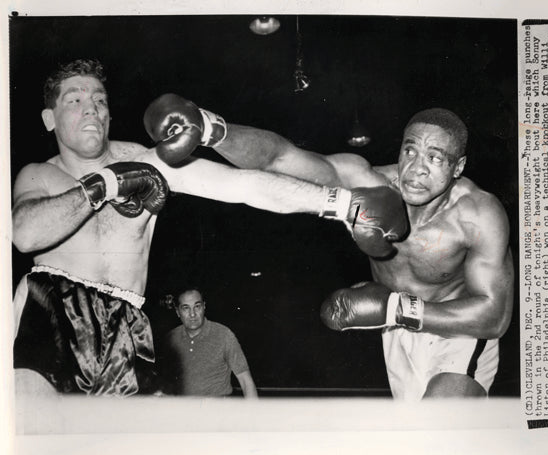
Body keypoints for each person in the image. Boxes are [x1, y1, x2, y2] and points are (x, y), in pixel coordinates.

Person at [11, 59, 408, 396]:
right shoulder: (38, 177)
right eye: (75, 100)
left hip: (126, 321)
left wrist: (341, 205)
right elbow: (25, 233)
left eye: (99, 100)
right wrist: (107, 183)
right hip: (53, 311)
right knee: (36, 432)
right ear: (50, 119)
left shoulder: (147, 163)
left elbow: (240, 185)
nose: (91, 110)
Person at [208, 108, 514, 401]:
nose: (417, 167)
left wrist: (394, 308)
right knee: (416, 438)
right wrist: (212, 130)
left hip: (459, 328)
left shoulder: (478, 214)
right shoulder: (370, 183)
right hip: (397, 330)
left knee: (438, 423)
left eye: (434, 158)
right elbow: (279, 158)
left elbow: (495, 316)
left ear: (457, 167)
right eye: (410, 151)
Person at [158, 288, 257, 398]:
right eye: (186, 308)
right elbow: (165, 385)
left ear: (204, 307)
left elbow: (245, 381)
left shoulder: (224, 335)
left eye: (197, 306)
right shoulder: (170, 338)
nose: (192, 314)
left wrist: (252, 414)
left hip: (216, 411)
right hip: (182, 411)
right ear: (177, 312)